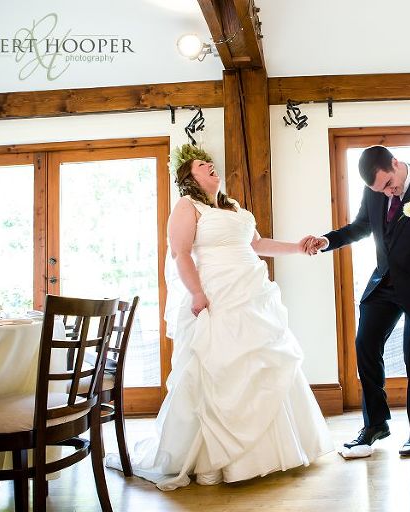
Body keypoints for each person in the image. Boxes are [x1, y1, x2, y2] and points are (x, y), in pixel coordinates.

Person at [106, 145, 333, 488]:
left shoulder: (234, 207)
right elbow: (181, 253)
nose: (211, 165)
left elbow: (257, 245)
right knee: (219, 367)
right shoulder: (187, 206)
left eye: (210, 163)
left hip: (251, 292)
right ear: (189, 176)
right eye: (202, 164)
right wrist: (197, 293)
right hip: (217, 294)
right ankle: (215, 457)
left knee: (264, 363)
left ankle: (274, 451)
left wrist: (297, 248)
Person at [306, 145, 410, 456]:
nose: (387, 193)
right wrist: (328, 241)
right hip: (385, 282)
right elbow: (361, 227)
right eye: (379, 190)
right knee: (365, 344)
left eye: (389, 185)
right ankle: (375, 424)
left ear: (396, 163)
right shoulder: (375, 191)